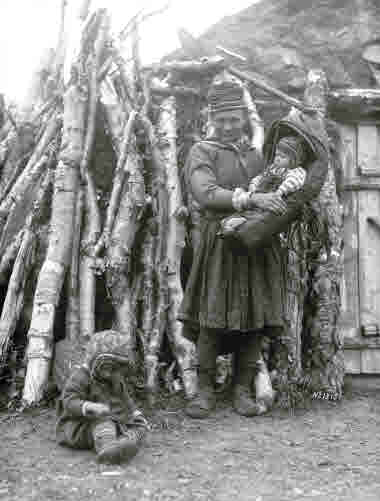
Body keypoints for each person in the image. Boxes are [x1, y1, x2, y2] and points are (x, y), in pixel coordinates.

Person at [178, 80, 329, 420]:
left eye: (235, 118)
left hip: (257, 244)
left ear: (245, 118)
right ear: (212, 117)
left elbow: (276, 188)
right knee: (211, 318)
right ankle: (204, 390)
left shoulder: (256, 155)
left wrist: (283, 201)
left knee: (253, 317)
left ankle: (242, 389)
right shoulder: (203, 152)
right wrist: (250, 199)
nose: (230, 125)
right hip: (219, 243)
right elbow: (205, 193)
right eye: (224, 119)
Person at [56, 331, 149, 464]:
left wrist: (136, 414)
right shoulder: (81, 377)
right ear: (93, 360)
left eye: (116, 368)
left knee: (139, 426)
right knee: (103, 423)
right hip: (82, 426)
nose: (110, 373)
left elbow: (126, 398)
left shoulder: (115, 377)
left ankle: (128, 441)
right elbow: (69, 401)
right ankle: (107, 449)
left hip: (114, 420)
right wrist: (89, 406)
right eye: (106, 368)